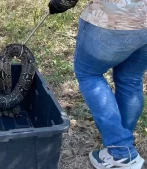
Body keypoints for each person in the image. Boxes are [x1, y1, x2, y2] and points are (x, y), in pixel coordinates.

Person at [48, 0, 147, 168]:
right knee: (131, 80)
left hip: (110, 21)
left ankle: (121, 151)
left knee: (89, 75)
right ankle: (123, 143)